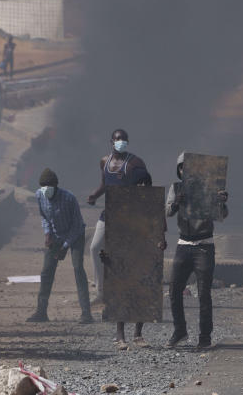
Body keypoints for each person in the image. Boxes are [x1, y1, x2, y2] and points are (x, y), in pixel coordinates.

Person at [85, 129, 156, 348]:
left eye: (124, 140)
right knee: (95, 247)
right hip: (109, 213)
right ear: (111, 142)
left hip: (128, 218)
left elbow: (146, 186)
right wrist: (95, 195)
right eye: (117, 140)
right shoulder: (104, 162)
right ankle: (101, 291)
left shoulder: (135, 163)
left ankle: (132, 331)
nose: (121, 143)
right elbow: (105, 184)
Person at [166, 152, 229, 349]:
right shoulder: (176, 188)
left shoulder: (209, 189)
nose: (186, 171)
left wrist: (221, 201)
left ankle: (204, 337)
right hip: (184, 244)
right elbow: (167, 211)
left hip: (204, 245)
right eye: (183, 168)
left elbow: (223, 215)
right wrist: (177, 201)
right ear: (179, 170)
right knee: (174, 289)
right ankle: (180, 330)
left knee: (203, 293)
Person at [27, 168, 92, 324]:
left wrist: (65, 247)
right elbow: (44, 217)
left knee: (78, 268)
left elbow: (77, 225)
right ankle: (41, 312)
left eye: (49, 185)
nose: (46, 189)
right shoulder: (39, 195)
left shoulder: (69, 198)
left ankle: (86, 314)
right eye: (43, 186)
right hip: (55, 235)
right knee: (46, 271)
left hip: (74, 235)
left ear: (56, 186)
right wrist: (47, 233)